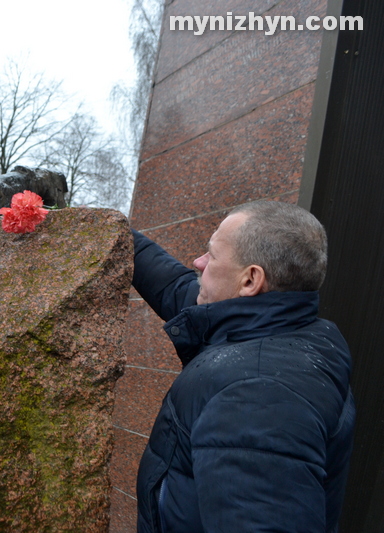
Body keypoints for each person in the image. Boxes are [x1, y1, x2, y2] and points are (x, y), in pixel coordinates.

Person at [131, 201, 355, 532]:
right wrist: (111, 231)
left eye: (212, 256)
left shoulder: (258, 395)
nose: (198, 262)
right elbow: (174, 286)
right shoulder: (274, 328)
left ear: (250, 280)